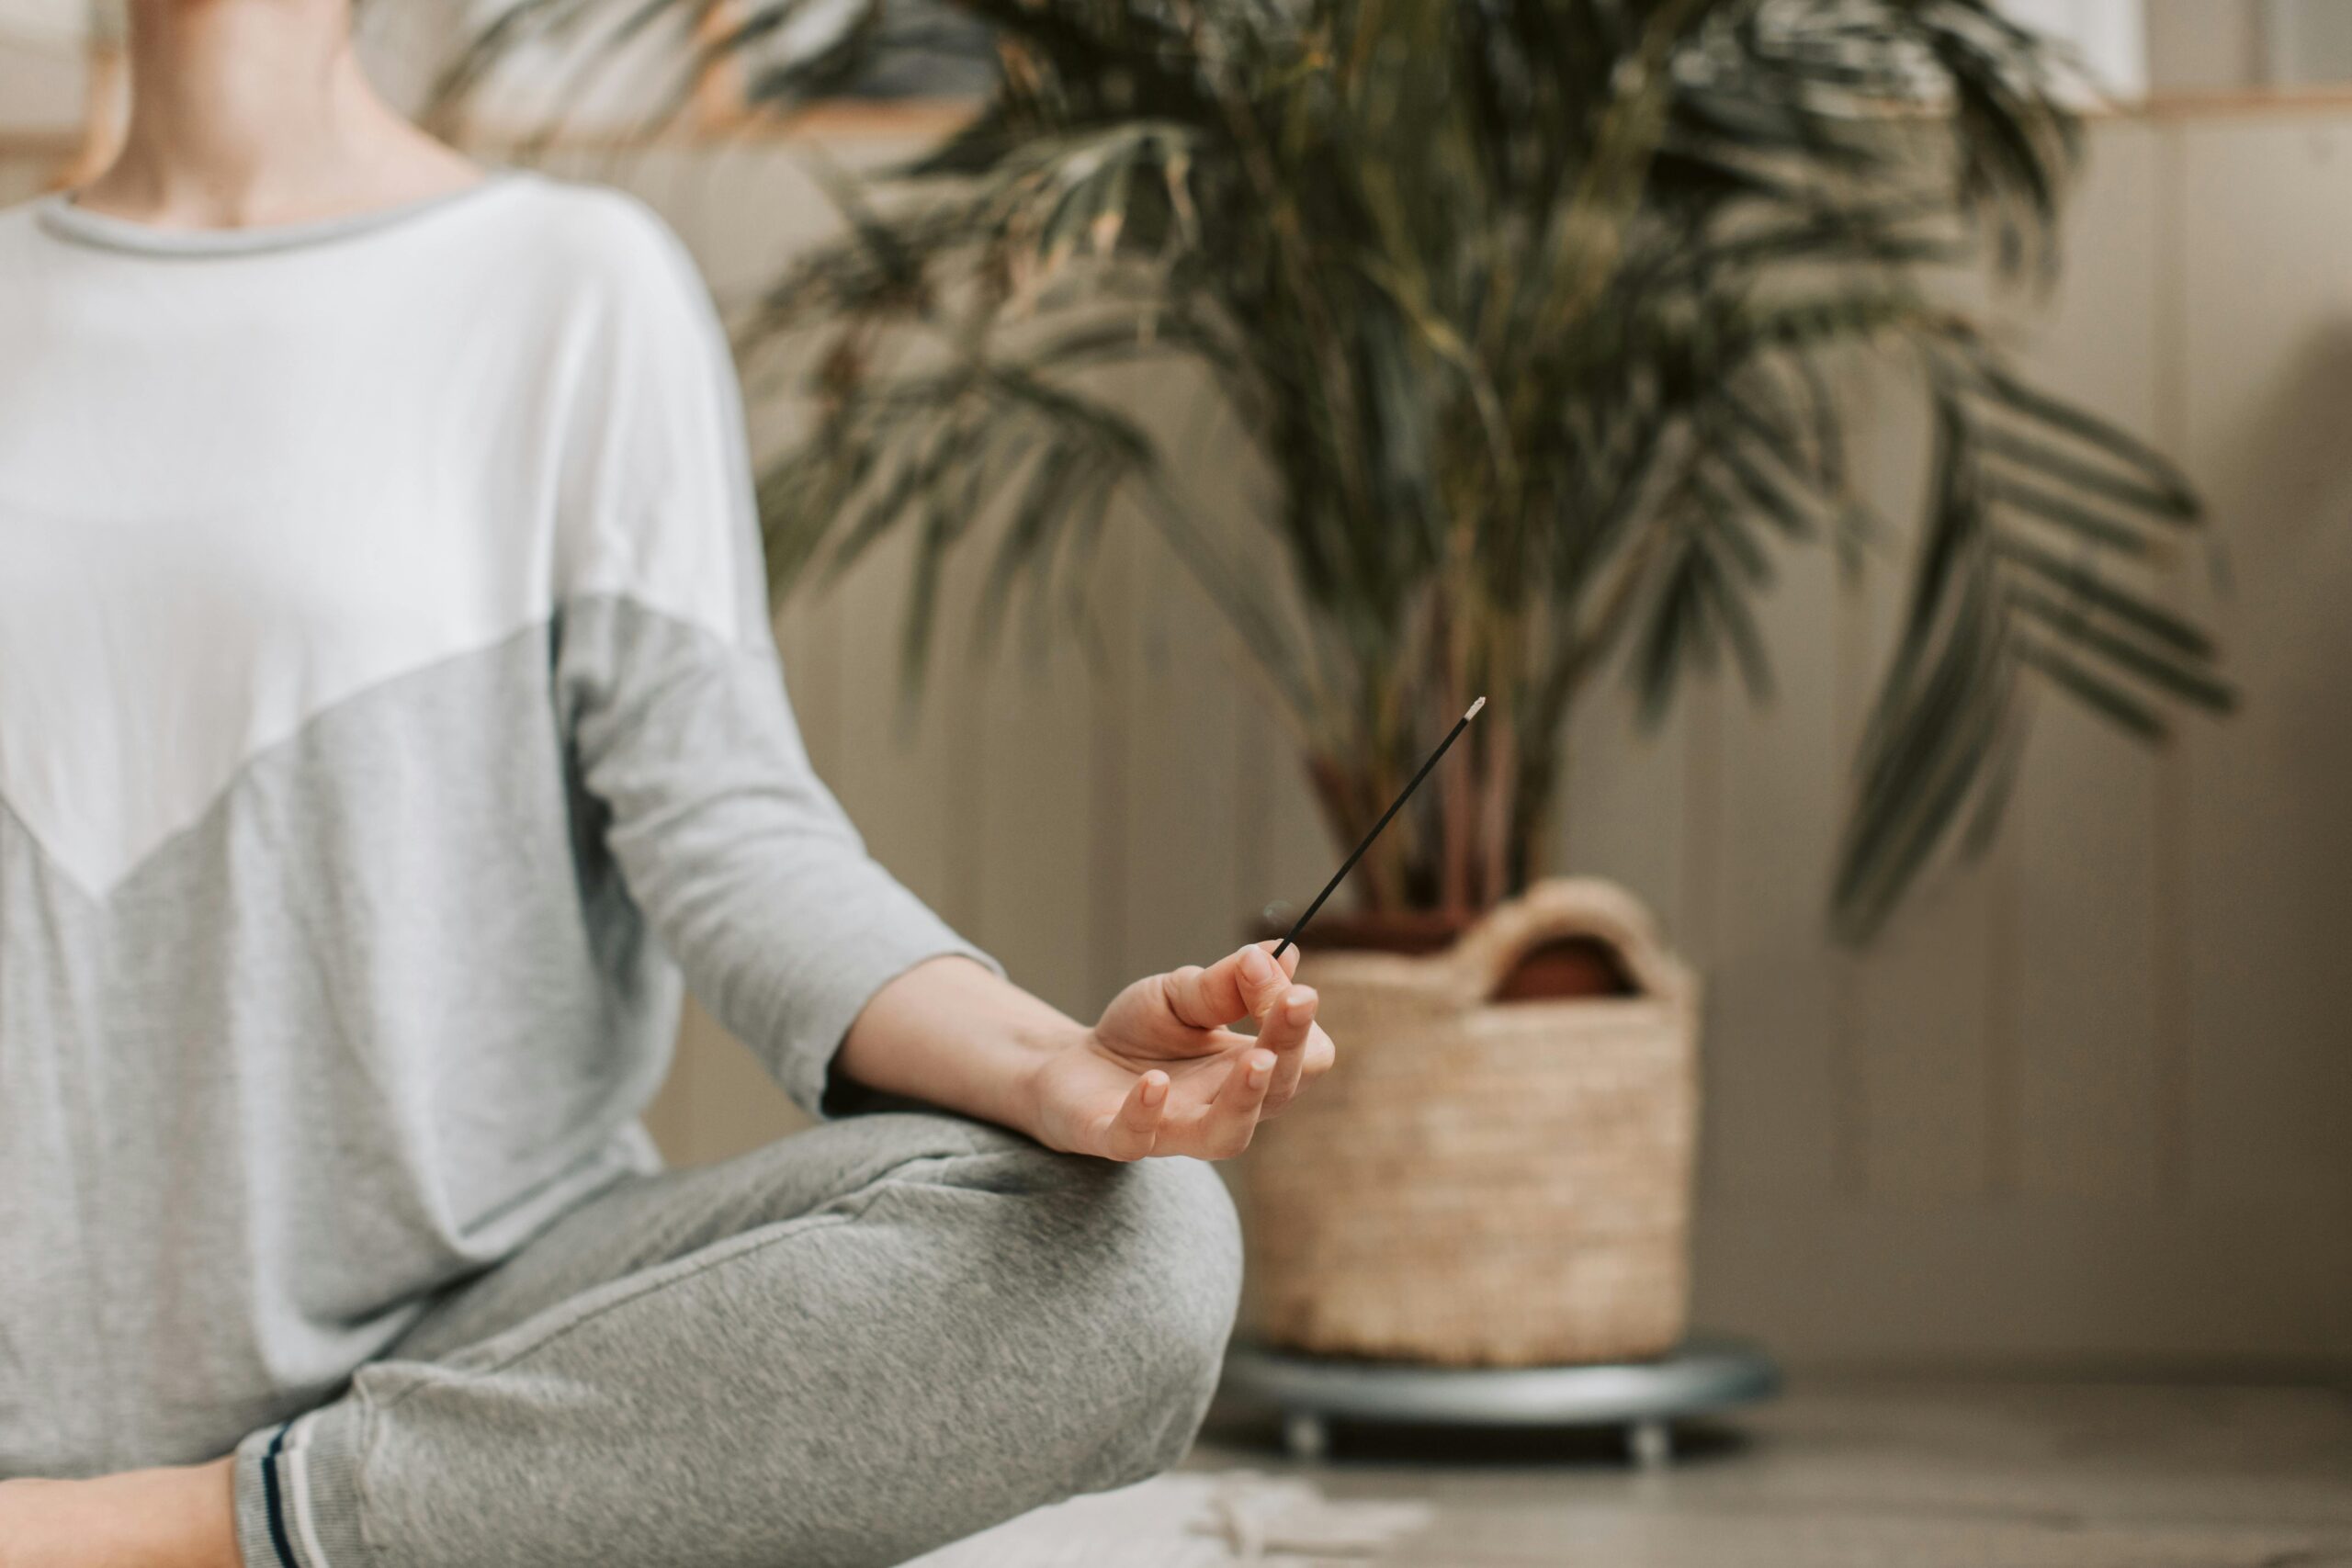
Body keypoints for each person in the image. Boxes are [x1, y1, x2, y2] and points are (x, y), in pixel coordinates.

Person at [0, 4, 1337, 1565]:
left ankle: (180, 1534)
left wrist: (1054, 1069)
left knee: (1136, 1251)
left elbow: (726, 818)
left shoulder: (565, 288)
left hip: (471, 1324)